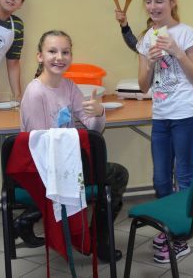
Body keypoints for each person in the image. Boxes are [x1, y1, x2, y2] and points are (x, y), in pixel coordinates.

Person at [20, 30, 129, 263]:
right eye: (52, 51)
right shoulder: (35, 92)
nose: (59, 57)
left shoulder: (69, 87)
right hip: (46, 167)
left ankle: (94, 238)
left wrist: (99, 112)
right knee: (115, 175)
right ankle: (94, 240)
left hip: (67, 164)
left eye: (65, 52)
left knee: (115, 174)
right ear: (40, 56)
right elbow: (38, 147)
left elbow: (94, 129)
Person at [137, 0, 193, 264]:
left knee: (185, 174)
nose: (153, 6)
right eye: (148, 1)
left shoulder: (187, 33)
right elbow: (143, 86)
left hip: (186, 113)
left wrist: (177, 52)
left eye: (159, 1)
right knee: (161, 178)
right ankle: (167, 227)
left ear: (173, 1)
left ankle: (181, 237)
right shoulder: (146, 38)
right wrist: (151, 62)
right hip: (161, 115)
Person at [115, 9, 193, 155]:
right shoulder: (149, 43)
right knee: (179, 154)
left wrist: (177, 52)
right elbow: (136, 45)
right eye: (153, 28)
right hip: (168, 103)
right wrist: (124, 26)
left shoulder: (182, 36)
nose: (157, 32)